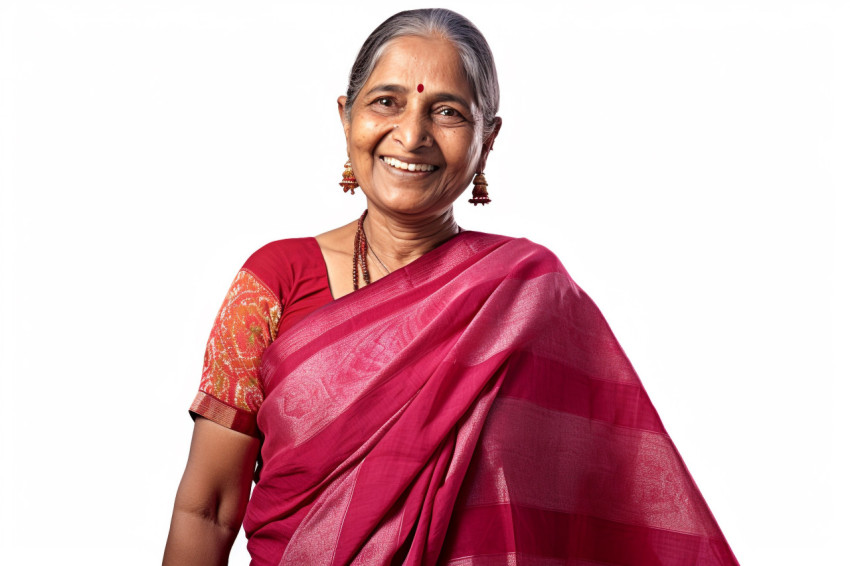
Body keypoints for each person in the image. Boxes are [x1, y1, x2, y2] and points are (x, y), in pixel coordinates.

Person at [164, 8, 738, 565]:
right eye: (386, 102)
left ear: (488, 139)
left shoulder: (529, 302)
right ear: (346, 118)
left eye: (447, 112)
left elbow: (607, 511)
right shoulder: (274, 282)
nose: (411, 135)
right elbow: (208, 510)